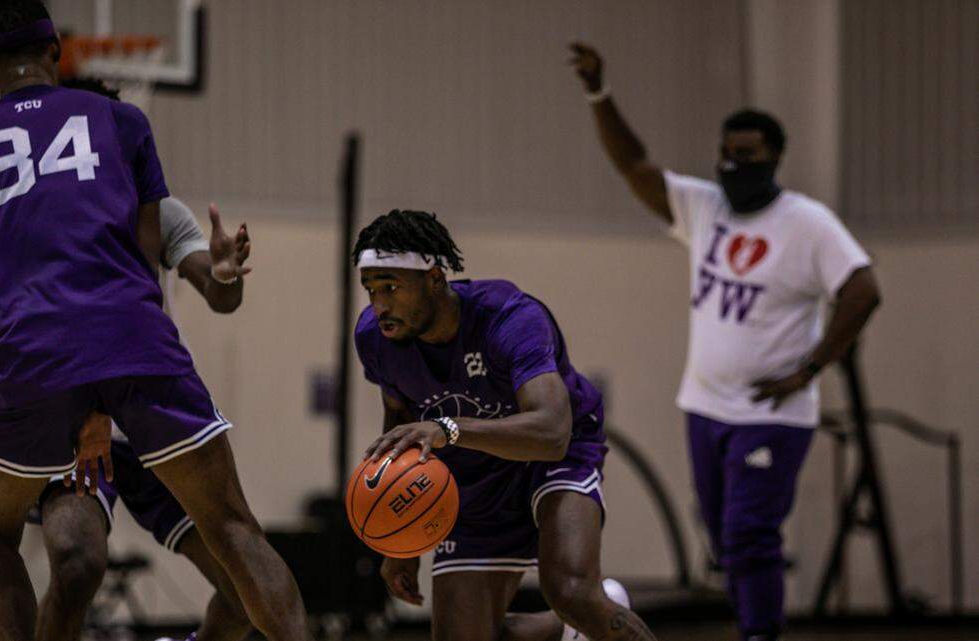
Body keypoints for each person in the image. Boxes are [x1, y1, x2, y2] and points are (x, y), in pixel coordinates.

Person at [0, 1, 310, 639]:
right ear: (56, 52)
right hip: (135, 348)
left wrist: (90, 403)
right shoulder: (121, 122)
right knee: (232, 529)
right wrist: (101, 394)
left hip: (36, 361)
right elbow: (137, 260)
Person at [568, 42, 882, 641]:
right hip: (705, 407)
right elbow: (634, 166)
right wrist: (598, 94)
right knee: (721, 538)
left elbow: (863, 289)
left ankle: (759, 633)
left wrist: (811, 369)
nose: (733, 165)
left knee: (749, 534)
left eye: (748, 155)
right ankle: (750, 621)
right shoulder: (706, 207)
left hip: (772, 413)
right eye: (726, 154)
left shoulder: (807, 223)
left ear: (774, 159)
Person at [354, 210, 657, 641]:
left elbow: (551, 432)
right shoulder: (375, 339)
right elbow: (400, 415)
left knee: (571, 591)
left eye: (391, 287)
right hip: (472, 469)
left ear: (435, 279)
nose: (379, 304)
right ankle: (565, 634)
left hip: (552, 451)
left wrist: (450, 429)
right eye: (370, 289)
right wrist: (400, 541)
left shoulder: (509, 318)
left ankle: (583, 611)